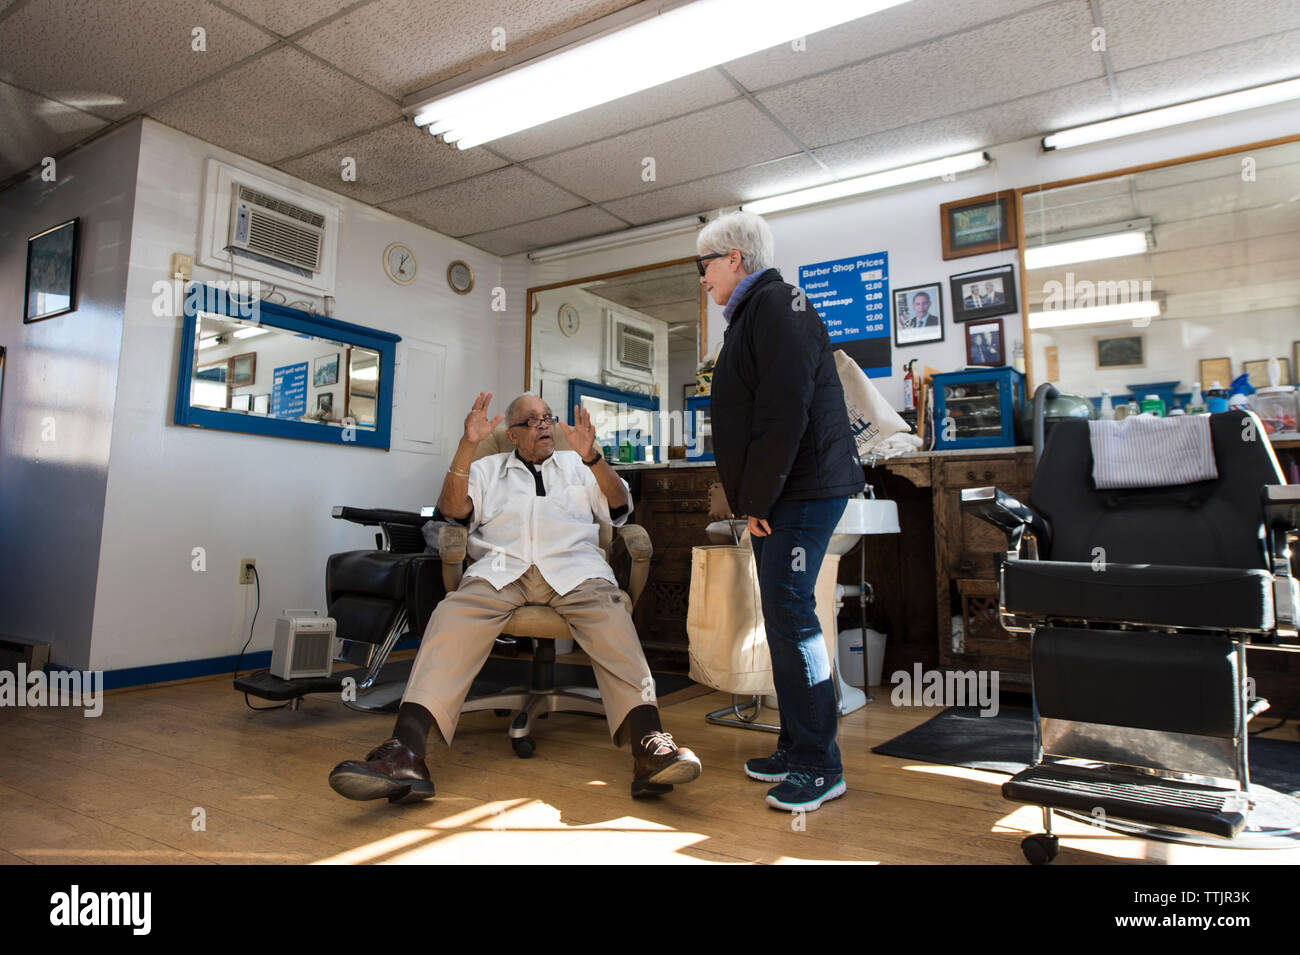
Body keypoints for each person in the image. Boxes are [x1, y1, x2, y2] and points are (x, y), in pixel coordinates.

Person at [328, 391, 701, 802]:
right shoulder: (486, 469)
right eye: (532, 420)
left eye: (548, 417)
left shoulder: (579, 465)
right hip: (502, 569)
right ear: (512, 435)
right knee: (451, 616)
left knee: (613, 620)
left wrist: (593, 456)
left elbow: (619, 507)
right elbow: (452, 512)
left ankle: (649, 746)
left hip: (575, 568)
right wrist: (467, 445)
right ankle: (406, 752)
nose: (544, 425)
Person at [697, 211, 864, 812]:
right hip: (792, 488)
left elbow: (784, 408)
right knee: (784, 613)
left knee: (792, 615)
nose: (702, 277)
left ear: (734, 257)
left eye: (705, 264)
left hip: (803, 488)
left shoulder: (777, 303)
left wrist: (758, 499)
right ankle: (797, 748)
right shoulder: (757, 311)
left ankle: (821, 764)